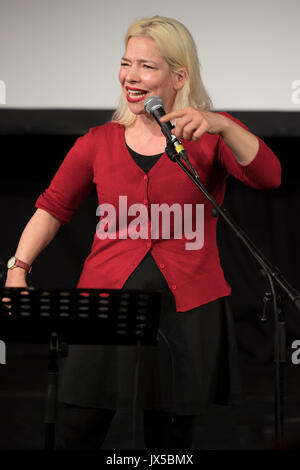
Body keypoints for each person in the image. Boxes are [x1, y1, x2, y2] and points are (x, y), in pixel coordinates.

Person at [5, 15, 281, 450]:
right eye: (125, 63)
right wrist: (17, 268)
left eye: (146, 67)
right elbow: (52, 209)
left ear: (179, 75)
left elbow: (268, 177)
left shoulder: (207, 139)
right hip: (105, 310)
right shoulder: (97, 142)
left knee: (169, 445)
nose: (130, 77)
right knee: (77, 432)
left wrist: (224, 124)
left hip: (188, 309)